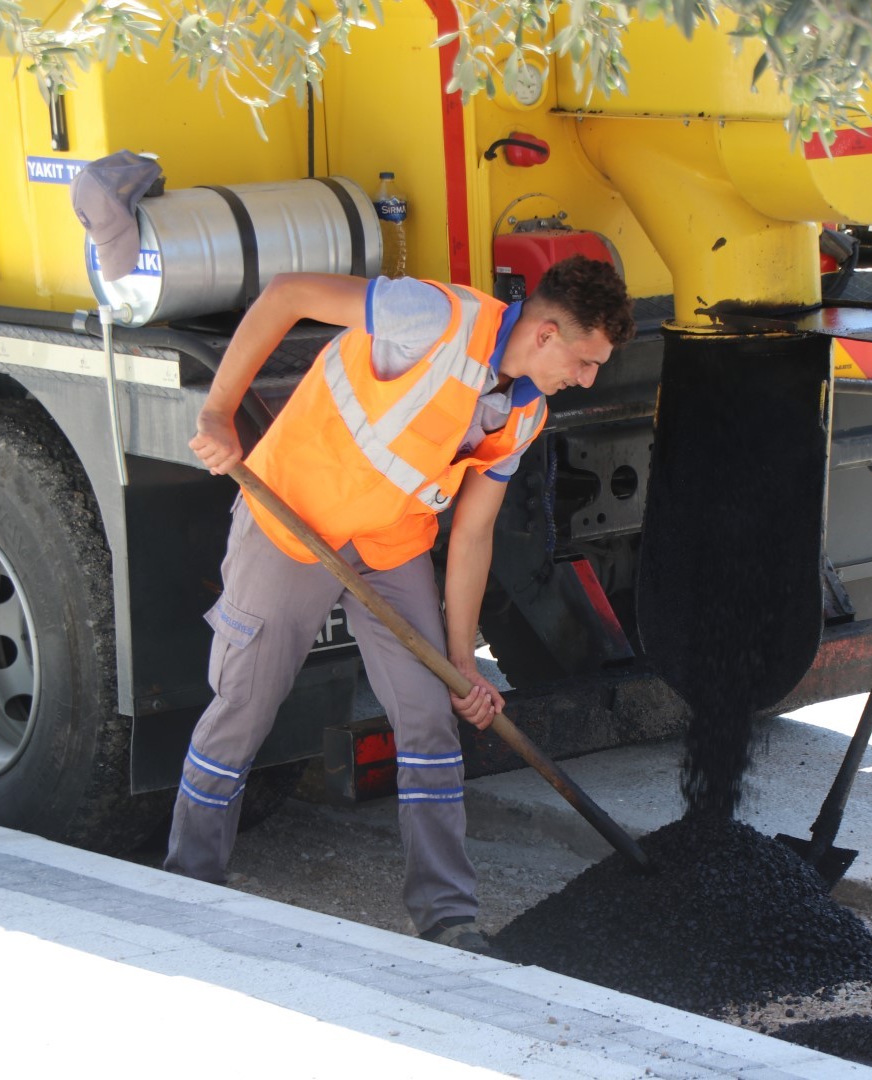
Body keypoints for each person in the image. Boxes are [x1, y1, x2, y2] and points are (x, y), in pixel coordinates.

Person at [165, 256, 634, 952]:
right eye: (586, 360)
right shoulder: (436, 319)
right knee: (244, 708)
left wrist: (461, 665)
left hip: (387, 543)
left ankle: (448, 915)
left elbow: (472, 535)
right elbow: (290, 293)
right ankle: (186, 887)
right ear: (545, 335)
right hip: (293, 519)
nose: (589, 378)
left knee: (428, 719)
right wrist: (218, 410)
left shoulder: (525, 413)